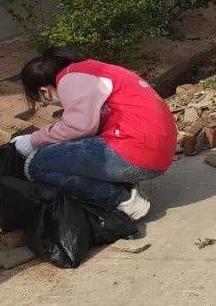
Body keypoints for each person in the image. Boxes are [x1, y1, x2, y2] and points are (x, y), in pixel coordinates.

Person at [13, 49, 177, 221]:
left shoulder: (70, 80)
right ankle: (124, 183)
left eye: (41, 100)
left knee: (37, 164)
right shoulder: (89, 70)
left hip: (139, 153)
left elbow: (78, 127)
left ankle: (122, 199)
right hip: (157, 151)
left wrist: (33, 140)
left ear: (44, 91)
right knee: (68, 147)